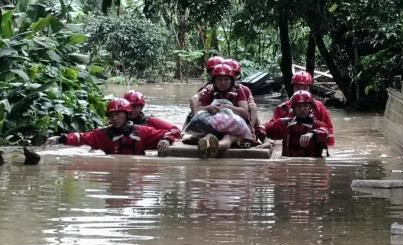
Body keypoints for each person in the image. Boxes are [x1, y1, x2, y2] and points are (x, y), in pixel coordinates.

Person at [44, 98, 177, 156]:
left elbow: (168, 133)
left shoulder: (143, 131)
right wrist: (61, 138)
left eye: (118, 115)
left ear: (127, 115)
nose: (115, 118)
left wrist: (166, 140)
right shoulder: (104, 134)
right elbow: (83, 138)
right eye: (112, 115)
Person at [190, 63, 252, 158]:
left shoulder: (239, 91)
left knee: (229, 137)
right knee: (209, 135)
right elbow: (199, 111)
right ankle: (205, 144)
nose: (223, 82)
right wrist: (208, 108)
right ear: (214, 81)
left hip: (235, 129)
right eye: (219, 80)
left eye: (226, 80)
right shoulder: (209, 91)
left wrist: (229, 108)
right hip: (215, 127)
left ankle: (217, 146)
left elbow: (244, 112)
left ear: (231, 81)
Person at [272, 70, 335, 146]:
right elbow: (273, 130)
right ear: (293, 88)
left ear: (310, 89)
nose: (301, 91)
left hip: (313, 147)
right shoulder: (283, 108)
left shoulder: (319, 107)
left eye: (305, 88)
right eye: (297, 88)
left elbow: (329, 132)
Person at [263, 90, 329, 157]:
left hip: (311, 166)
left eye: (305, 105)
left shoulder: (318, 125)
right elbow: (262, 128)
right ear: (293, 108)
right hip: (288, 164)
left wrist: (312, 133)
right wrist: (266, 141)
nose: (302, 109)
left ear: (311, 107)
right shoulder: (284, 123)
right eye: (298, 106)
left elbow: (325, 133)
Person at [222, 58, 260, 135]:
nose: (233, 76)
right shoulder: (214, 88)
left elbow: (252, 109)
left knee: (252, 106)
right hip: (224, 118)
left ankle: (250, 130)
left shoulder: (243, 89)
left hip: (243, 117)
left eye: (235, 74)